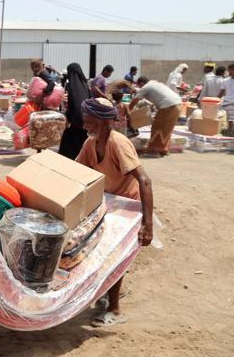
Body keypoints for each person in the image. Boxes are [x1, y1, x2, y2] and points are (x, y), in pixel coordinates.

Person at [76, 97, 153, 327]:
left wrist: (147, 225)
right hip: (108, 202)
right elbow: (74, 171)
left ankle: (115, 309)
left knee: (112, 255)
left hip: (128, 206)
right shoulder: (90, 144)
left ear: (102, 121)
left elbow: (145, 181)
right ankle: (106, 293)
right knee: (93, 249)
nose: (85, 126)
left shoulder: (118, 144)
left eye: (89, 121)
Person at [130, 77, 181, 157]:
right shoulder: (156, 83)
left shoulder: (145, 87)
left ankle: (154, 150)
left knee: (157, 128)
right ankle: (163, 150)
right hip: (177, 103)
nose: (140, 87)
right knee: (167, 128)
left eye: (139, 85)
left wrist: (128, 112)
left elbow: (135, 100)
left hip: (168, 105)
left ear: (141, 83)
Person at [59, 63, 91, 160]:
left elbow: (74, 105)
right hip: (86, 119)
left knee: (70, 144)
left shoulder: (72, 86)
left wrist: (68, 116)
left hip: (75, 120)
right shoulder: (85, 84)